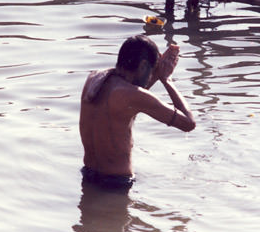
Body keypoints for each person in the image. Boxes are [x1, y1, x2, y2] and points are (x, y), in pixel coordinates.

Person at [80, 35, 195, 190]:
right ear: (142, 66)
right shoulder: (132, 96)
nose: (151, 77)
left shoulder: (94, 78)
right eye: (151, 70)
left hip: (88, 176)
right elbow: (188, 123)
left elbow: (133, 99)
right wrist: (167, 80)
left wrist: (156, 71)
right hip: (116, 184)